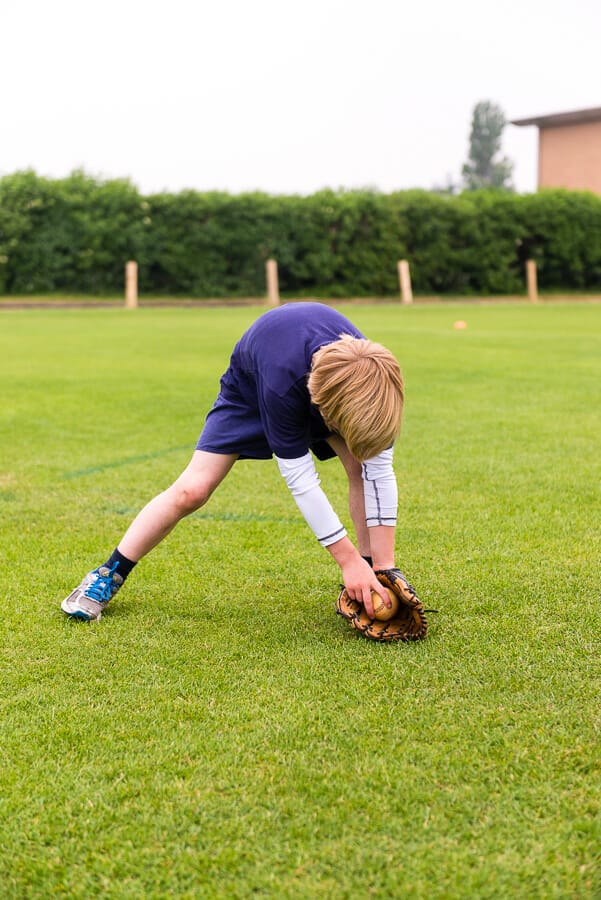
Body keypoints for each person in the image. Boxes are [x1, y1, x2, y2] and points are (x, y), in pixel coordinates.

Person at [61, 301, 407, 623]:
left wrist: (385, 567)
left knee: (360, 467)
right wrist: (345, 560)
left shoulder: (374, 388)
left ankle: (372, 573)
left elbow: (379, 472)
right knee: (192, 491)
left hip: (331, 387)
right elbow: (303, 483)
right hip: (253, 390)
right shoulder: (283, 386)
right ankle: (108, 574)